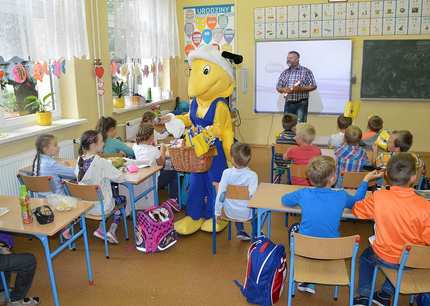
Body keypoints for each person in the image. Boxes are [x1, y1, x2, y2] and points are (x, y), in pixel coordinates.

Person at [282, 156, 382, 295]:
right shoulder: (341, 196)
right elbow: (357, 201)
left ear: (310, 179)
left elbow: (285, 200)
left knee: (294, 227)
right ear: (333, 179)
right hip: (332, 250)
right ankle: (311, 278)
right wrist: (365, 180)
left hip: (306, 248)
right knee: (324, 234)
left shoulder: (303, 193)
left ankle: (305, 274)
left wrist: (302, 200)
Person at [352, 153, 430, 306]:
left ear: (386, 174)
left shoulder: (379, 197)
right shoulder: (425, 206)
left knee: (366, 256)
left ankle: (364, 296)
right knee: (402, 257)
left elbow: (357, 210)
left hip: (383, 256)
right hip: (412, 261)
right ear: (414, 177)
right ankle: (385, 293)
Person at [76, 130, 126, 244]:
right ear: (93, 145)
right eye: (101, 141)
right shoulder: (101, 162)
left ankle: (101, 228)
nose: (103, 143)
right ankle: (108, 230)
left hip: (86, 206)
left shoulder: (79, 160)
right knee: (122, 199)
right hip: (102, 207)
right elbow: (120, 178)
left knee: (107, 189)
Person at [214, 143, 258, 241]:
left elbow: (220, 195)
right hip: (246, 214)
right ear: (249, 159)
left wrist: (217, 212)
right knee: (256, 214)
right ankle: (255, 234)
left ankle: (240, 230)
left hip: (229, 212)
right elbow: (253, 196)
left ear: (232, 159)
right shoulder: (252, 175)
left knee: (235, 204)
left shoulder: (226, 173)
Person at [133, 125, 178, 200]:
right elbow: (161, 164)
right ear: (150, 137)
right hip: (153, 179)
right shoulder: (153, 150)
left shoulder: (135, 146)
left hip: (142, 177)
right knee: (174, 172)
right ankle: (174, 199)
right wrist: (162, 149)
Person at [276, 51, 317, 122]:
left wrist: (300, 88)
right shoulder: (284, 73)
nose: (288, 60)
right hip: (288, 103)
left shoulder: (306, 71)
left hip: (301, 103)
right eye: (287, 58)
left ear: (297, 59)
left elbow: (313, 86)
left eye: (291, 58)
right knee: (288, 126)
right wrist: (284, 89)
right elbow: (278, 87)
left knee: (300, 127)